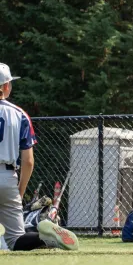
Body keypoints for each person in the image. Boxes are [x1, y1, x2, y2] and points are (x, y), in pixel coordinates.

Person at [0, 63, 79, 251]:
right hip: (7, 177)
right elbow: (28, 161)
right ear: (5, 86)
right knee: (16, 239)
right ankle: (46, 238)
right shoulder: (19, 115)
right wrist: (19, 191)